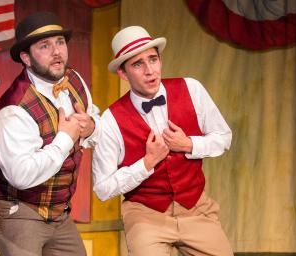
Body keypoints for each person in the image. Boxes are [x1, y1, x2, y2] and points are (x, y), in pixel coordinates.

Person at [92, 26, 233, 255]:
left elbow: (223, 137)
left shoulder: (191, 88)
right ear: (123, 74)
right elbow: (103, 188)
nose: (150, 71)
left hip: (196, 207)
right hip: (145, 215)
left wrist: (189, 145)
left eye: (153, 59)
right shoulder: (110, 120)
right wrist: (147, 163)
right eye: (138, 64)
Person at [0, 12, 100, 256]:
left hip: (58, 212)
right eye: (45, 46)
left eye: (60, 42)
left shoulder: (74, 80)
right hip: (17, 211)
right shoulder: (14, 109)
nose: (57, 52)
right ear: (26, 58)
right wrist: (65, 139)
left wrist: (90, 128)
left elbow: (94, 116)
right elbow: (22, 176)